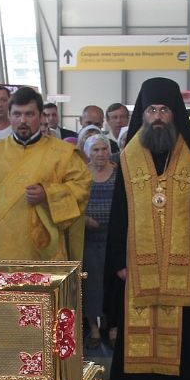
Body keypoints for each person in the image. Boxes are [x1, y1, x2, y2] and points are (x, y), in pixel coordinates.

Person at [103, 77, 190, 380]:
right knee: (135, 326)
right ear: (143, 113)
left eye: (164, 110)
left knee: (178, 329)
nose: (157, 117)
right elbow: (119, 213)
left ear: (174, 113)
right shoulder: (129, 157)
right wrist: (118, 261)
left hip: (182, 266)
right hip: (137, 266)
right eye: (151, 110)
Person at [0, 86, 92, 261]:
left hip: (46, 250)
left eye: (29, 114)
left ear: (41, 116)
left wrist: (47, 193)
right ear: (9, 116)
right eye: (17, 114)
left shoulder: (63, 153)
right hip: (2, 247)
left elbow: (82, 188)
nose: (22, 120)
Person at [82, 134, 117, 352]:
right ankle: (94, 330)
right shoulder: (81, 175)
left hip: (113, 239)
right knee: (91, 285)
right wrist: (84, 219)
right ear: (88, 152)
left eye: (104, 149)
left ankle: (112, 329)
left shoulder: (118, 173)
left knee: (112, 285)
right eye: (95, 150)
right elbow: (74, 203)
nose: (100, 154)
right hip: (89, 239)